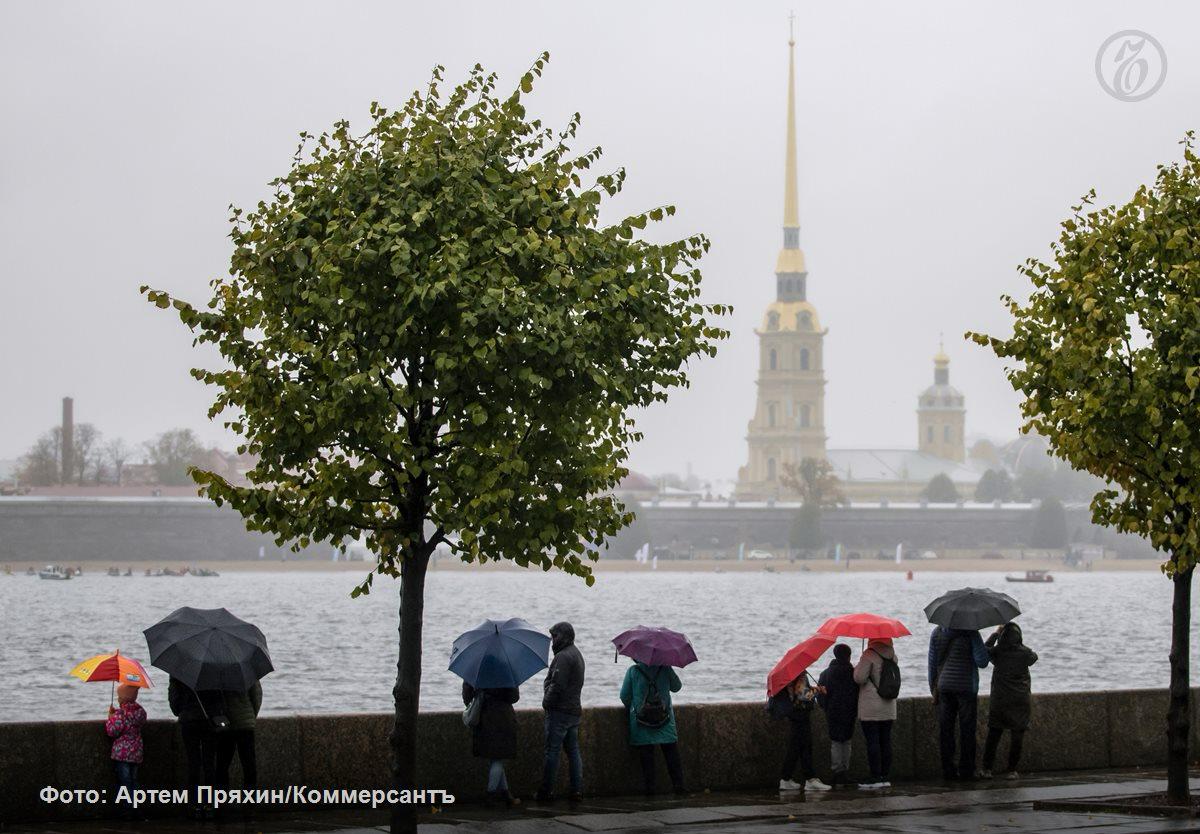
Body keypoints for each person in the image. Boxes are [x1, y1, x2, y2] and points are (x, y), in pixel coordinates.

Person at [928, 624, 990, 781]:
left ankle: (948, 770)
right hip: (966, 687)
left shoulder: (937, 632)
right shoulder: (971, 632)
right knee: (967, 730)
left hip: (944, 688)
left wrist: (933, 689)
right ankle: (967, 771)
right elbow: (982, 661)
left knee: (946, 731)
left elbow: (932, 664)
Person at [981, 623, 1038, 779]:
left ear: (1002, 637)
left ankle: (987, 769)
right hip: (1020, 700)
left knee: (994, 733)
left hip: (1000, 700)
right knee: (1017, 734)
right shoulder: (1026, 653)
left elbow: (984, 650)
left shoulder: (997, 652)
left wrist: (995, 634)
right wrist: (1019, 644)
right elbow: (1034, 657)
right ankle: (1011, 770)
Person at [619, 661, 685, 796]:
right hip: (665, 720)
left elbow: (624, 696)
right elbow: (677, 687)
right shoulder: (665, 668)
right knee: (671, 754)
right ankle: (679, 786)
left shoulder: (633, 671)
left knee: (647, 757)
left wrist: (636, 707)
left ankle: (650, 789)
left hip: (641, 721)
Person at [537, 621, 585, 802]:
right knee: (573, 751)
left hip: (559, 712)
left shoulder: (563, 657)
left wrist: (546, 702)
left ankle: (546, 792)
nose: (552, 640)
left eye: (555, 636)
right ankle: (576, 790)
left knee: (552, 752)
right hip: (573, 711)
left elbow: (557, 685)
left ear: (564, 637)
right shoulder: (576, 654)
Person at [168, 676, 221, 819]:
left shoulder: (178, 672)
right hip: (209, 721)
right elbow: (220, 700)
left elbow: (174, 704)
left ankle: (195, 805)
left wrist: (184, 709)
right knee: (209, 763)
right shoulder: (213, 670)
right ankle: (209, 805)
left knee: (193, 763)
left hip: (189, 722)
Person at [462, 682, 521, 806]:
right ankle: (490, 794)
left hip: (483, 718)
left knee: (495, 758)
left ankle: (506, 795)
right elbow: (514, 697)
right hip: (504, 718)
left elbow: (467, 696)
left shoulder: (476, 672)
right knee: (498, 758)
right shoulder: (506, 673)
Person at [770, 673, 830, 793]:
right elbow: (803, 694)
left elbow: (797, 691)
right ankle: (809, 779)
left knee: (797, 747)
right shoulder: (799, 674)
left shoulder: (790, 675)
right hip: (801, 714)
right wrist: (818, 690)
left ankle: (788, 778)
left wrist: (813, 688)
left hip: (794, 714)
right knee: (804, 746)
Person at [853, 637, 899, 789]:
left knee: (873, 741)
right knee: (885, 740)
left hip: (871, 706)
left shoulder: (869, 654)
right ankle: (885, 775)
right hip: (888, 705)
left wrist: (858, 666)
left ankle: (875, 776)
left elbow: (859, 678)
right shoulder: (893, 655)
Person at [817, 644, 859, 788]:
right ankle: (844, 771)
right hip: (849, 711)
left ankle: (837, 772)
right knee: (846, 741)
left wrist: (826, 707)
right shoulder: (853, 673)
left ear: (835, 655)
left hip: (833, 712)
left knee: (836, 742)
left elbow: (820, 695)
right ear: (849, 656)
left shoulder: (826, 673)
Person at [105, 685, 147, 819]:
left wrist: (110, 717)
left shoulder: (120, 715)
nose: (118, 699)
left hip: (122, 755)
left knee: (124, 782)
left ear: (123, 699)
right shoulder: (140, 712)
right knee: (134, 780)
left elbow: (112, 731)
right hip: (136, 753)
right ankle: (137, 808)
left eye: (119, 697)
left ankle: (127, 809)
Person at [214, 682, 263, 792]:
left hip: (226, 725)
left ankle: (221, 798)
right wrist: (251, 717)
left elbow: (215, 701)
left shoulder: (217, 675)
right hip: (245, 726)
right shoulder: (247, 674)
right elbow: (256, 697)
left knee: (222, 765)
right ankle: (250, 798)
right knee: (249, 764)